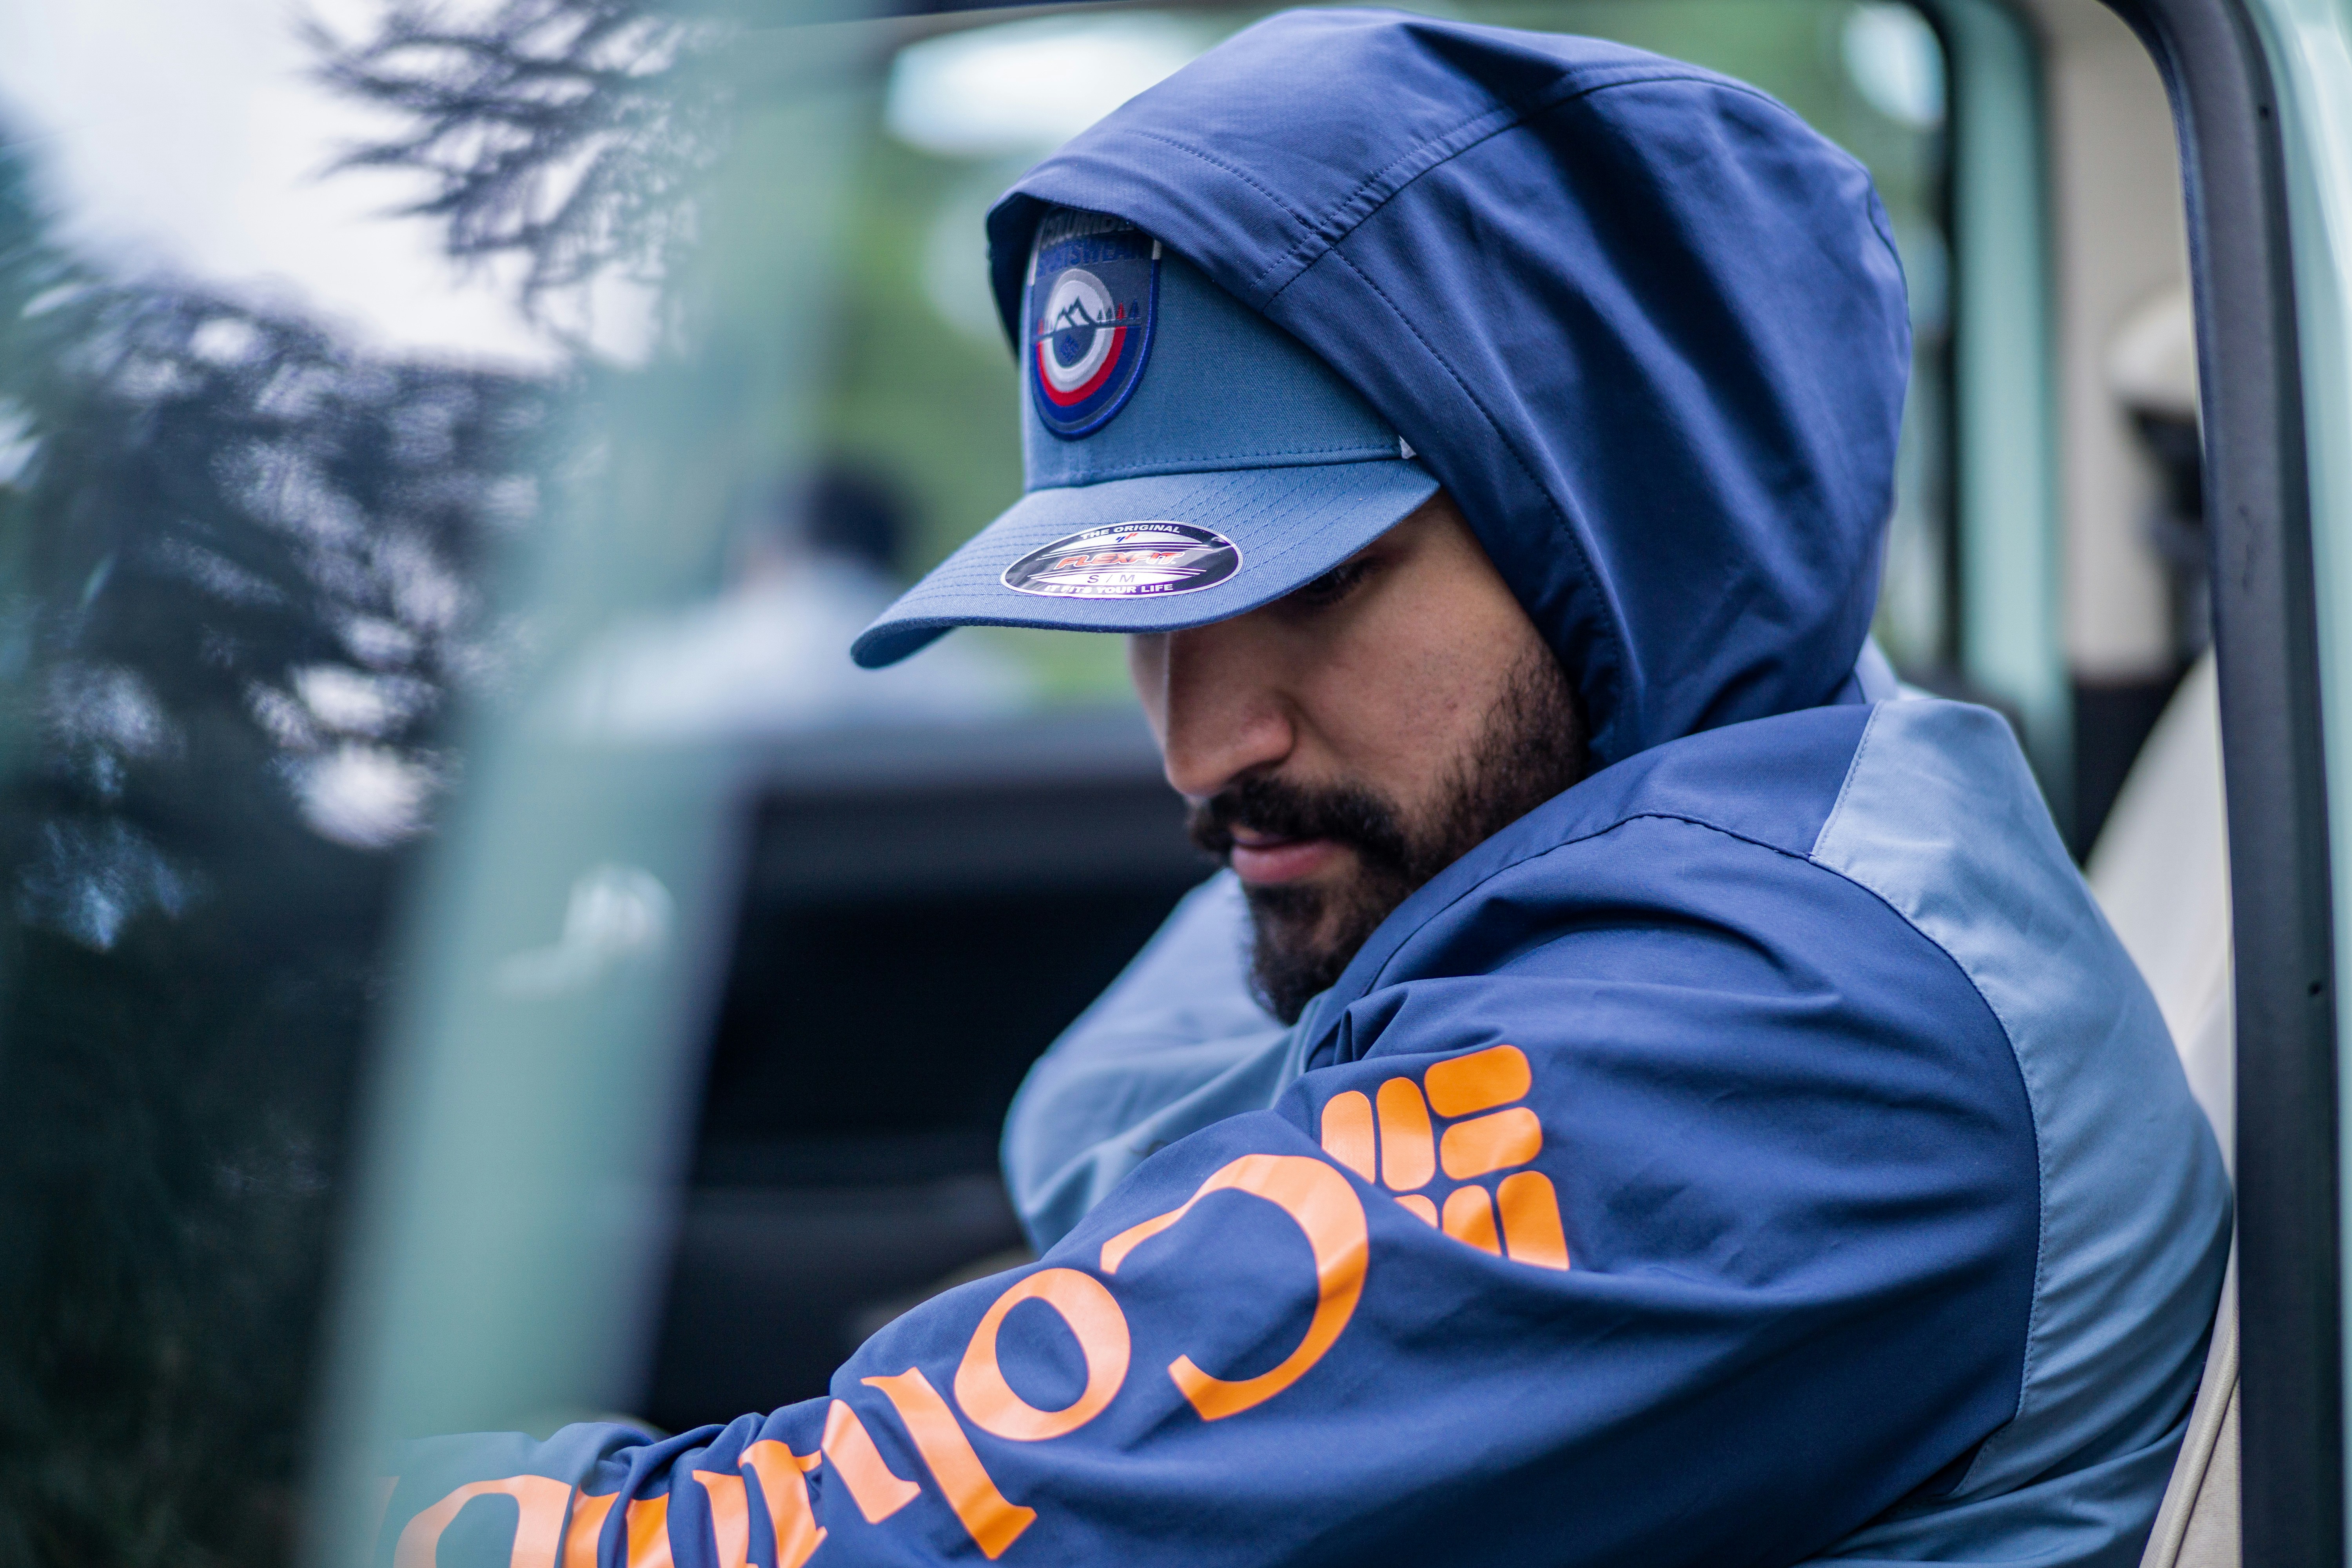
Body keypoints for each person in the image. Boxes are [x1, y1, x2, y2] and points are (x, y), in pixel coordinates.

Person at [381, 11, 2229, 1565]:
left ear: (1613, 519)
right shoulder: (1661, 794)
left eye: (1312, 582)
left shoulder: (1778, 1034)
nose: (1200, 743)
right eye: (1147, 606)